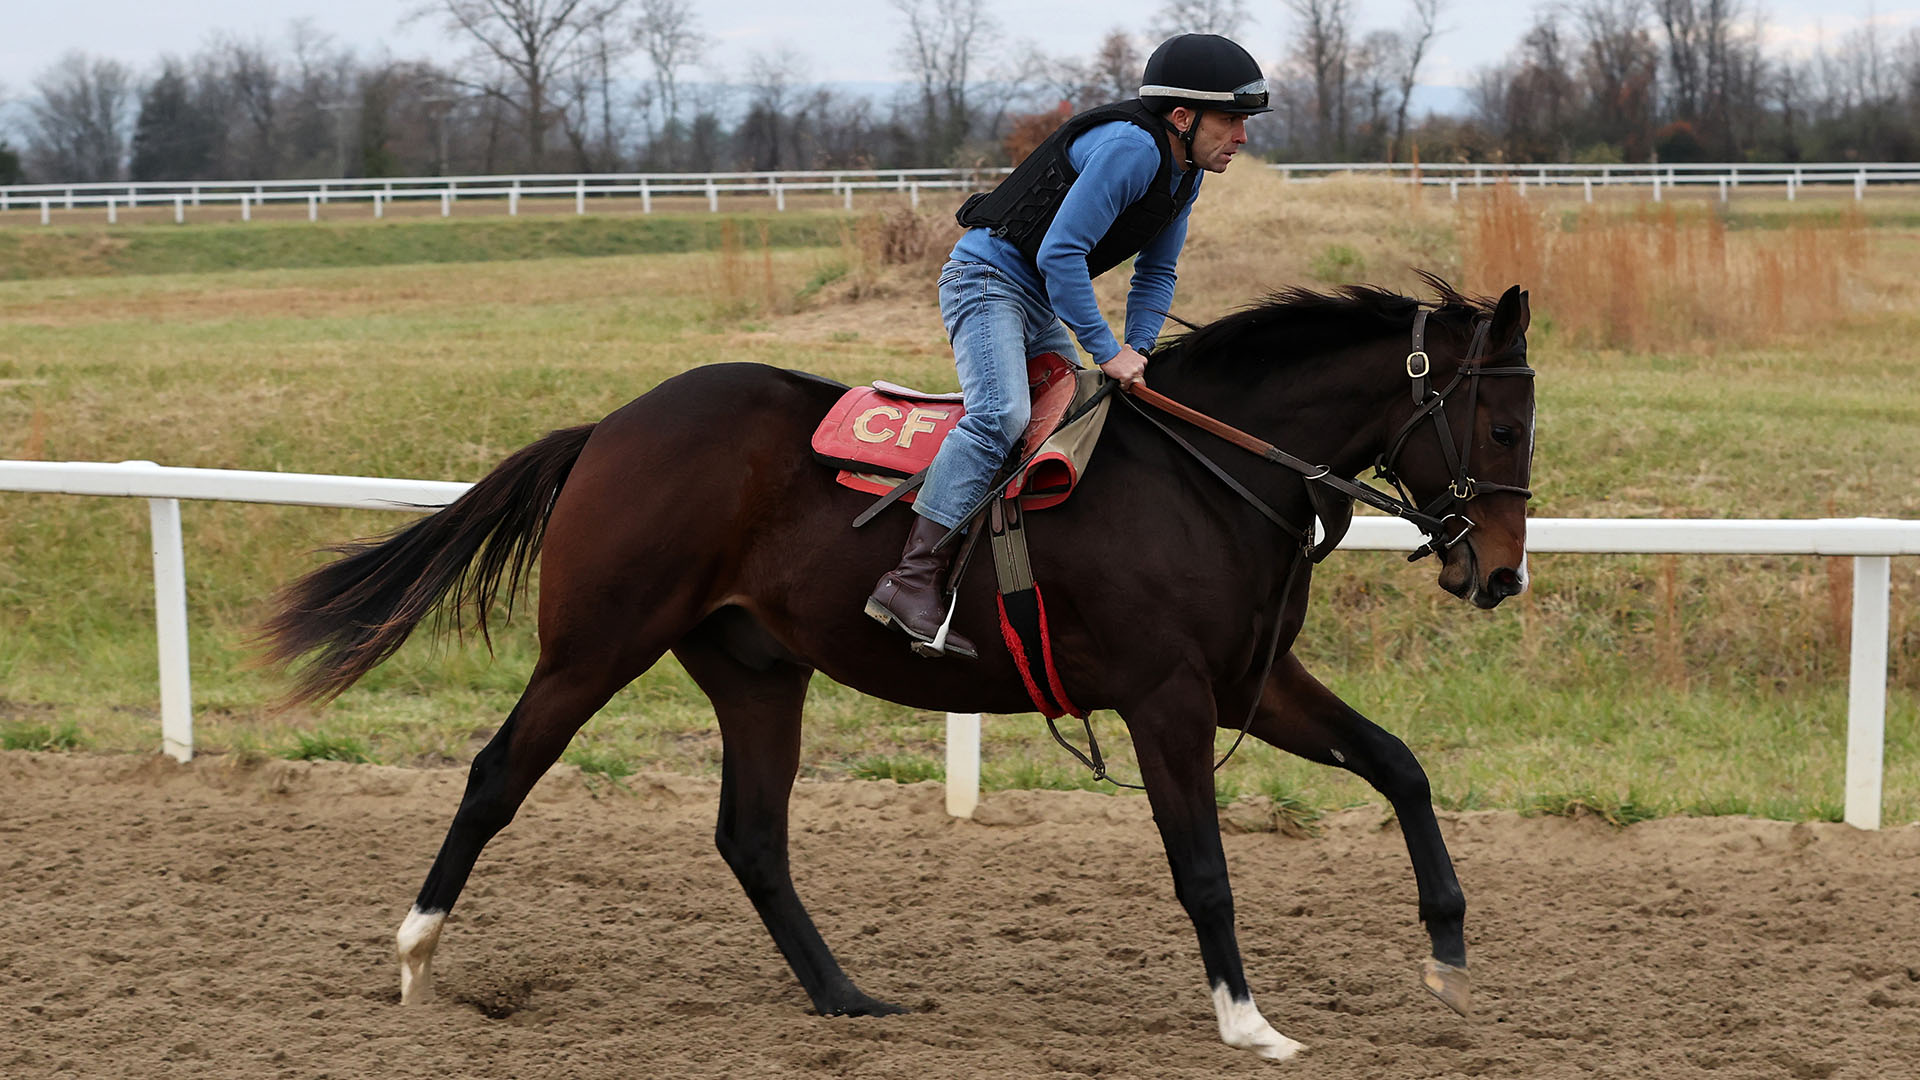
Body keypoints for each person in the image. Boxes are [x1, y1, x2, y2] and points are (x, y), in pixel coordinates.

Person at [865, 33, 1271, 659]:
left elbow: (1156, 273)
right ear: (1183, 117)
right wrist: (1108, 350)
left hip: (1040, 300)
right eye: (1232, 120)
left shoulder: (1184, 175)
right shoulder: (1132, 148)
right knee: (1001, 415)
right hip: (986, 282)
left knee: (1084, 415)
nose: (1242, 136)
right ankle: (910, 579)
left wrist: (1136, 356)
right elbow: (1060, 252)